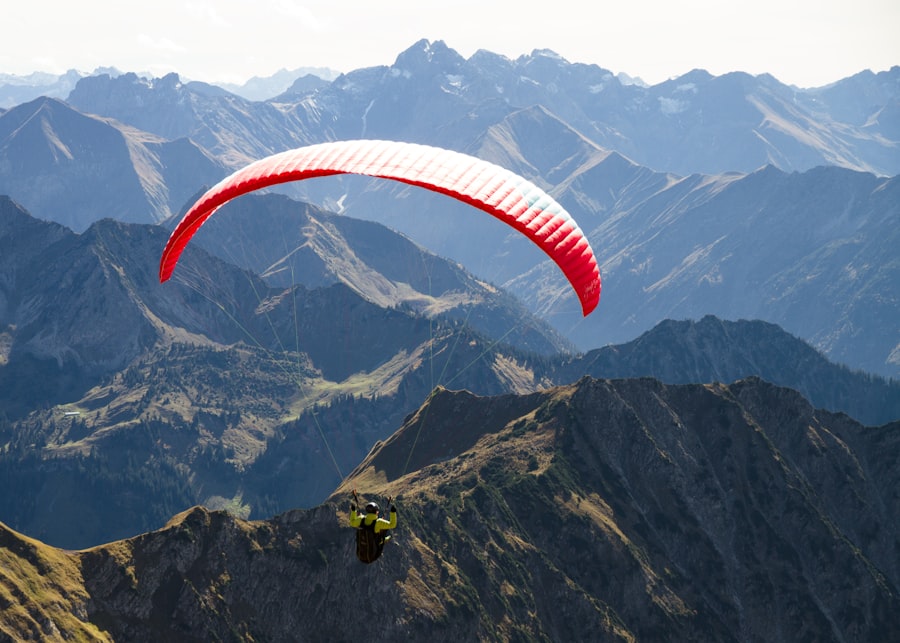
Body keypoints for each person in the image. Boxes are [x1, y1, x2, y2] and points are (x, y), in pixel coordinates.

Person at [349, 497, 397, 564]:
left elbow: (352, 522)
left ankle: (382, 540)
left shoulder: (361, 519)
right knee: (383, 530)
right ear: (377, 512)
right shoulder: (378, 522)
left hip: (361, 553)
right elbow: (392, 525)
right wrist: (393, 512)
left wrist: (353, 511)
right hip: (373, 554)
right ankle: (383, 540)